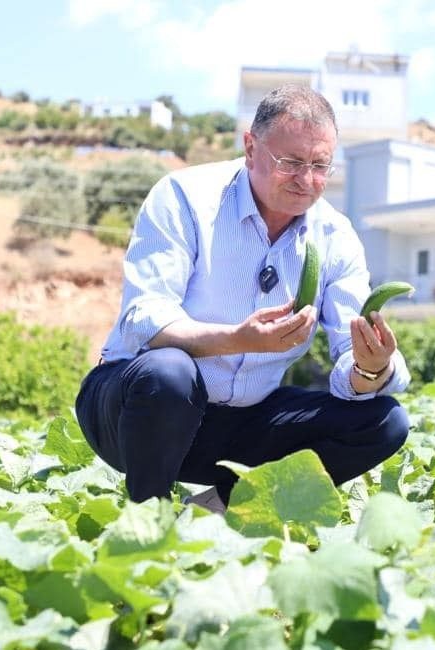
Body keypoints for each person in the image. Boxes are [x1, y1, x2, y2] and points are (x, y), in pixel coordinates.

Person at [74, 84, 411, 513]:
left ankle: (215, 508)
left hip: (239, 425)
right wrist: (238, 339)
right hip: (134, 415)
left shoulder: (335, 236)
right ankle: (148, 523)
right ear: (251, 147)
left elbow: (351, 361)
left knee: (384, 421)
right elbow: (145, 319)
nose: (306, 180)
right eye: (290, 162)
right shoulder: (184, 196)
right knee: (170, 372)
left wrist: (371, 367)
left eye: (319, 165)